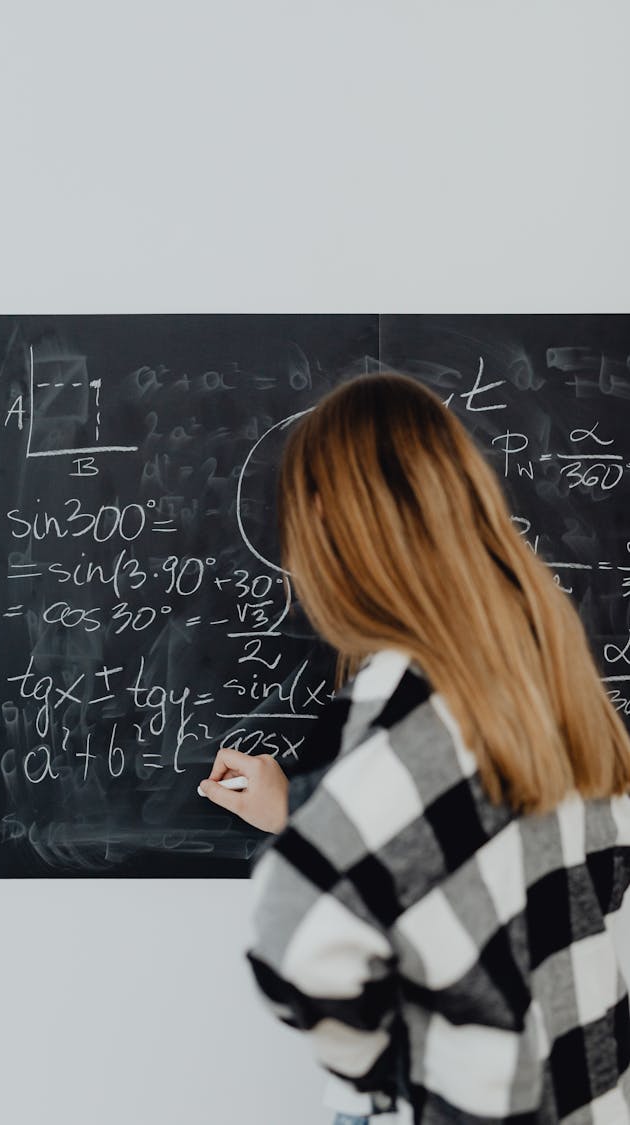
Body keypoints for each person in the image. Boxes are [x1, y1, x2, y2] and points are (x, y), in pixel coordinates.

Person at [199, 372, 630, 1124]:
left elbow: (295, 934)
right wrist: (300, 809)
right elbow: (509, 859)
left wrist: (387, 1068)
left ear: (336, 524)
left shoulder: (413, 699)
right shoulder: (550, 676)